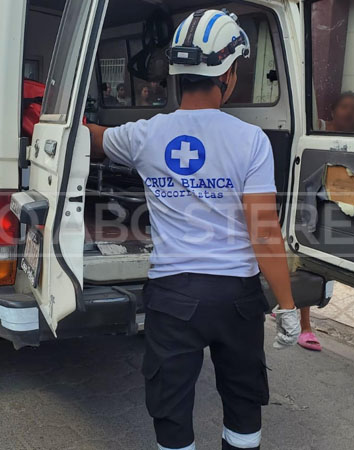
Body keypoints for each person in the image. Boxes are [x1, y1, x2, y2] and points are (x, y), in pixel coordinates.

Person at [86, 9, 300, 450]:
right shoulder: (251, 140)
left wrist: (46, 119)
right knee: (242, 400)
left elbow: (92, 138)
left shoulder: (144, 135)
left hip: (172, 296)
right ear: (229, 74)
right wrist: (288, 306)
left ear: (178, 74)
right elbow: (264, 233)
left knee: (171, 404)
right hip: (236, 298)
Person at [298, 91, 354, 352]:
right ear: (333, 111)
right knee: (307, 263)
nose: (349, 112)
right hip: (309, 204)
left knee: (325, 268)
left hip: (338, 208)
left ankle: (287, 304)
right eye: (344, 107)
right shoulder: (318, 131)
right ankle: (305, 326)